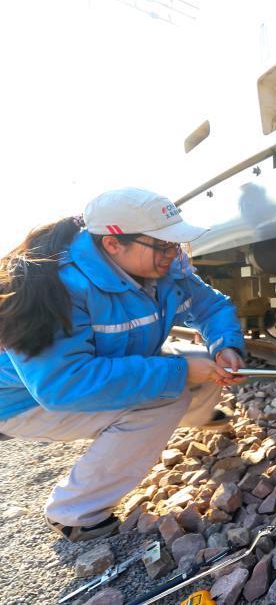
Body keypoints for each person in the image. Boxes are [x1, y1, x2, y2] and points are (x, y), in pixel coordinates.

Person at [0, 187, 248, 541]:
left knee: (200, 364)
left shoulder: (162, 268)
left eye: (175, 243)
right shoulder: (57, 288)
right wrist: (179, 372)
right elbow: (64, 386)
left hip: (90, 371)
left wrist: (226, 346)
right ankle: (73, 511)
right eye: (162, 245)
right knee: (168, 393)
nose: (172, 253)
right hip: (22, 400)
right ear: (113, 243)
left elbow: (211, 306)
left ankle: (197, 418)